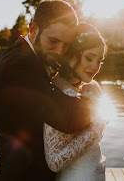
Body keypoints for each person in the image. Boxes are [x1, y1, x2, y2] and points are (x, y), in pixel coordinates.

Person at [0, 0, 95, 181]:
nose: (59, 51)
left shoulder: (34, 58)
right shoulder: (17, 65)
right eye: (53, 41)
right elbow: (68, 118)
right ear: (33, 29)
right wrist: (96, 100)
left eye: (66, 44)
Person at [43, 22, 108, 181]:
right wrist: (96, 127)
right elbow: (54, 161)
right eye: (89, 58)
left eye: (99, 60)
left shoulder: (90, 88)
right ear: (72, 55)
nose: (95, 66)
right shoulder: (59, 94)